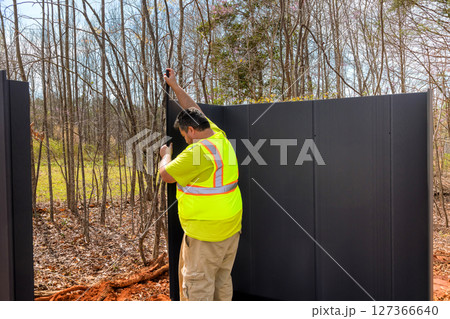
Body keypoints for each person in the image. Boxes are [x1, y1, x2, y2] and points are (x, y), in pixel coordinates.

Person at [158, 68, 243, 301]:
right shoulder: (219, 137)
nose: (185, 138)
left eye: (185, 134)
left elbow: (166, 175)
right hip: (230, 228)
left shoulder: (197, 152)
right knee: (221, 281)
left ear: (192, 130)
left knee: (197, 287)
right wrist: (174, 86)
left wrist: (165, 154)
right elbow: (194, 110)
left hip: (206, 234)